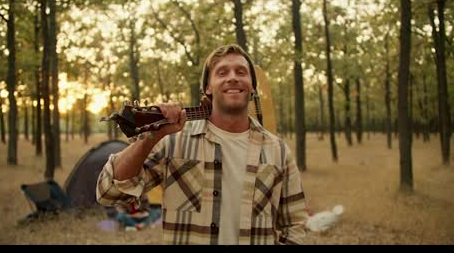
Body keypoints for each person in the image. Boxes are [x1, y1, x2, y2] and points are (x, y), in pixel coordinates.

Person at [96, 44, 309, 244]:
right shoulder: (173, 142)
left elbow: (295, 224)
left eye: (241, 72)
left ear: (252, 87)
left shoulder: (278, 150)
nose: (233, 78)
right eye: (222, 72)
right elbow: (109, 193)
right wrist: (151, 137)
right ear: (207, 87)